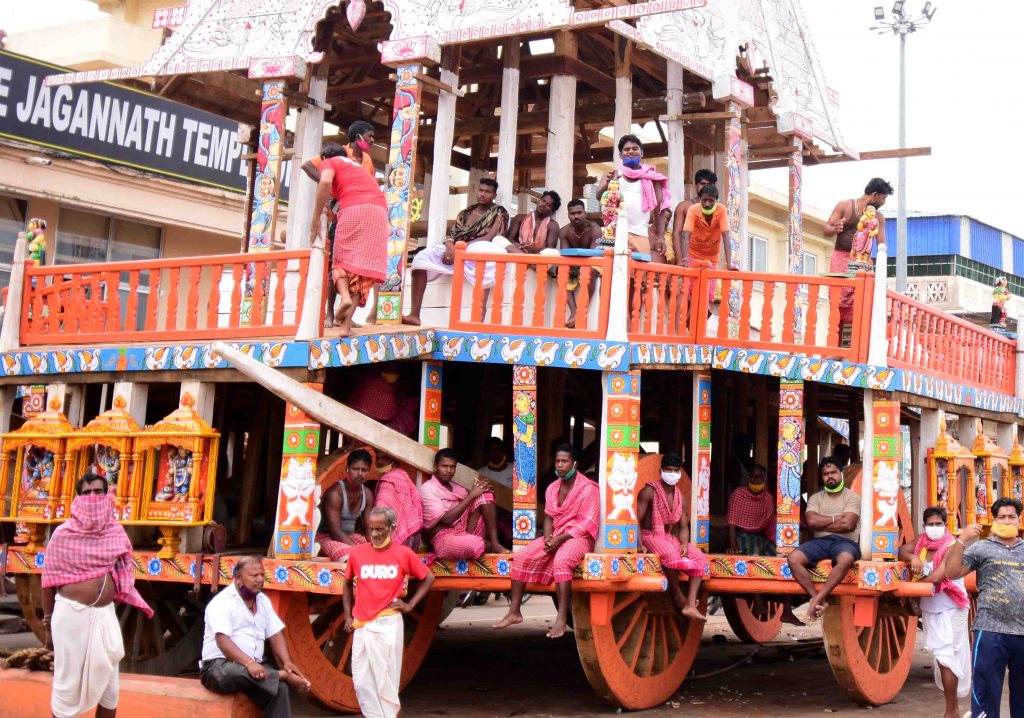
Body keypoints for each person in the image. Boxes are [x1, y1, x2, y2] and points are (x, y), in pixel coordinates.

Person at [42, 473, 154, 718]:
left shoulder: (115, 532)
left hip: (105, 617)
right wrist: (48, 626)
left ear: (107, 495)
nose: (93, 496)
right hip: (71, 616)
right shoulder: (63, 534)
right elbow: (48, 581)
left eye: (98, 491)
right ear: (78, 498)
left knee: (110, 688)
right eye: (86, 492)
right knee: (67, 686)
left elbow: (123, 566)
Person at [493, 444, 600, 638]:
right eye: (557, 461)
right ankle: (514, 612)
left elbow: (586, 523)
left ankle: (560, 619)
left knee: (562, 561)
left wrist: (559, 539)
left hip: (579, 537)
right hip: (557, 535)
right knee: (521, 557)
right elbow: (549, 517)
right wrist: (549, 539)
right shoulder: (552, 488)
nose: (559, 465)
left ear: (574, 463)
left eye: (564, 461)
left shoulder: (589, 488)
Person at [344, 506, 435, 718]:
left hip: (389, 624)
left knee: (387, 682)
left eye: (380, 529)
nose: (375, 534)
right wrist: (348, 615)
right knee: (361, 681)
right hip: (362, 624)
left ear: (392, 529)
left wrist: (410, 605)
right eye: (371, 529)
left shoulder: (403, 553)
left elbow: (428, 578)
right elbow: (346, 583)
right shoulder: (357, 553)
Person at [942, 497, 1024, 718]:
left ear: (1019, 520)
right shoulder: (981, 548)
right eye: (1001, 517)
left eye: (1011, 517)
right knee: (985, 694)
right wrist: (962, 540)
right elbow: (951, 573)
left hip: (1022, 633)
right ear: (994, 520)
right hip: (990, 631)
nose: (1007, 521)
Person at [200, 556, 310, 717]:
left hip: (254, 668)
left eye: (262, 575)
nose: (259, 579)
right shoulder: (222, 603)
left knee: (280, 689)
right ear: (238, 578)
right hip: (218, 668)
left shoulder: (263, 601)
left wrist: (287, 662)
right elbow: (222, 640)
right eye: (254, 576)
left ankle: (281, 676)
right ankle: (282, 676)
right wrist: (249, 663)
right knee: (235, 672)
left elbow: (275, 633)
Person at [403, 178, 510, 325]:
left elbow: (490, 237)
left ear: (494, 195)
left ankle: (480, 313)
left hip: (478, 247)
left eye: (488, 192)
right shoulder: (465, 212)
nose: (483, 194)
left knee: (486, 255)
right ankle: (414, 315)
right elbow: (451, 234)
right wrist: (450, 247)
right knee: (421, 259)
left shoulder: (499, 212)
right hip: (457, 247)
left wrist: (461, 249)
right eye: (481, 190)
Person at [309, 140, 388, 336]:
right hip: (379, 211)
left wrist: (315, 220)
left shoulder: (331, 161)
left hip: (355, 209)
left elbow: (325, 181)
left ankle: (344, 296)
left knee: (340, 262)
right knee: (358, 272)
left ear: (325, 157)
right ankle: (344, 327)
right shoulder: (357, 167)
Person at [898, 507, 970, 718]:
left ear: (945, 526)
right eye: (931, 524)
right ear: (924, 526)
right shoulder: (922, 541)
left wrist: (911, 587)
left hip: (951, 607)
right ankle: (953, 710)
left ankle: (951, 710)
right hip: (931, 608)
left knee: (948, 656)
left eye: (939, 524)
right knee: (941, 657)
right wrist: (913, 557)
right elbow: (902, 549)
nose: (935, 527)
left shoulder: (952, 545)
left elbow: (939, 577)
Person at [786, 457, 861, 621]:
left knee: (846, 558)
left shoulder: (852, 497)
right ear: (822, 477)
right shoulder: (815, 498)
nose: (830, 476)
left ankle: (818, 599)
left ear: (840, 473)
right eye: (826, 474)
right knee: (793, 558)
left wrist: (823, 523)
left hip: (845, 543)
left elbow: (848, 524)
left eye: (833, 472)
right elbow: (812, 522)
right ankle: (817, 598)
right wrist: (836, 519)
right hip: (821, 542)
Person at [637, 453, 708, 621]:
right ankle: (677, 594)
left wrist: (684, 543)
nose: (672, 473)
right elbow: (636, 519)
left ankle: (690, 604)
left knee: (700, 558)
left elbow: (683, 526)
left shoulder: (680, 496)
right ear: (661, 471)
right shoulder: (649, 491)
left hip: (669, 537)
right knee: (670, 553)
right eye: (669, 470)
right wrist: (639, 542)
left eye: (676, 470)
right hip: (650, 536)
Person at [823, 178, 892, 329]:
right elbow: (826, 229)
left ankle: (855, 342)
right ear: (874, 195)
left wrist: (881, 267)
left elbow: (882, 244)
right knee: (838, 298)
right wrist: (835, 229)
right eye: (883, 198)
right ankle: (837, 341)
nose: (884, 202)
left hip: (863, 261)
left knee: (861, 300)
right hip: (841, 256)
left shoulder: (878, 218)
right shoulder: (845, 206)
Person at [594, 134, 673, 262]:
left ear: (641, 153)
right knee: (611, 273)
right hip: (615, 233)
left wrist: (660, 237)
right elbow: (599, 196)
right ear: (621, 155)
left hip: (640, 234)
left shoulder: (652, 178)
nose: (631, 151)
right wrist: (608, 183)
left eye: (635, 148)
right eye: (626, 149)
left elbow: (660, 207)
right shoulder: (612, 175)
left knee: (637, 277)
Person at [419, 448, 509, 557]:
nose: (448, 470)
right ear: (436, 466)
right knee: (473, 544)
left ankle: (495, 543)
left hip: (463, 530)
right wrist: (471, 495)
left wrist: (477, 491)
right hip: (444, 538)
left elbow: (470, 506)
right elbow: (446, 519)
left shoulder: (456, 488)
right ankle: (486, 544)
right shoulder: (428, 489)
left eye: (452, 467)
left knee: (484, 494)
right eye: (444, 466)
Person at [317, 449, 375, 560]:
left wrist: (375, 547)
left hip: (350, 536)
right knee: (351, 554)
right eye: (355, 469)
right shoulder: (335, 493)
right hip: (326, 537)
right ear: (347, 469)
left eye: (364, 470)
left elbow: (369, 528)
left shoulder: (367, 494)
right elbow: (335, 531)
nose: (360, 473)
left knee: (379, 551)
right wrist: (358, 549)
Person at [557, 199, 603, 328]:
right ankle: (574, 312)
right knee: (562, 272)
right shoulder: (564, 231)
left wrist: (581, 265)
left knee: (591, 270)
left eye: (579, 212)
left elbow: (594, 253)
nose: (576, 216)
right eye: (572, 213)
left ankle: (582, 309)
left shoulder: (595, 228)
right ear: (568, 215)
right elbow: (565, 254)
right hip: (573, 263)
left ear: (585, 213)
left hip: (593, 261)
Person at [674, 183, 736, 272]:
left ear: (716, 201)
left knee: (709, 286)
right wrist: (685, 259)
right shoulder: (693, 209)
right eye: (704, 200)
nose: (707, 204)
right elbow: (685, 236)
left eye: (711, 200)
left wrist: (729, 264)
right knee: (690, 285)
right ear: (699, 200)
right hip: (692, 256)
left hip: (712, 259)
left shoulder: (722, 210)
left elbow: (726, 236)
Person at [373, 453, 424, 549]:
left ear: (394, 460)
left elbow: (380, 513)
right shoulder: (403, 476)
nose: (379, 462)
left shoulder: (387, 481)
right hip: (414, 538)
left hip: (399, 541)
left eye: (384, 458)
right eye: (378, 458)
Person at [726, 463, 776, 555]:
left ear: (765, 479)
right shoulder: (738, 494)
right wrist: (733, 546)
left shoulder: (768, 498)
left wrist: (777, 542)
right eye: (753, 476)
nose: (755, 479)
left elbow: (771, 524)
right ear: (748, 477)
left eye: (759, 477)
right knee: (754, 552)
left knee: (775, 551)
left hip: (760, 537)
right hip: (741, 536)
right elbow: (731, 524)